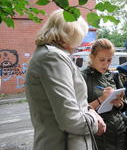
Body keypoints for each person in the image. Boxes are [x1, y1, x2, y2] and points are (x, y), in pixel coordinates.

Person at [25, 9, 106, 150]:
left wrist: (89, 110)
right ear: (71, 33)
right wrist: (95, 121)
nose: (80, 42)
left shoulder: (50, 55)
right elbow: (71, 120)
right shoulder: (52, 57)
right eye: (80, 35)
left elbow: (68, 101)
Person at [81, 38, 127, 150]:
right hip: (98, 134)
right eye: (102, 60)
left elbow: (124, 105)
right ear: (92, 57)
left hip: (120, 131)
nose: (106, 64)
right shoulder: (82, 77)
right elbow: (79, 110)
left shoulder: (113, 75)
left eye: (109, 60)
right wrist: (101, 99)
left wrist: (119, 103)